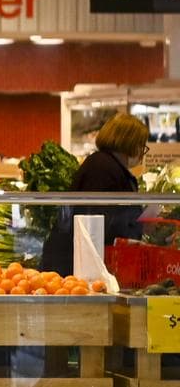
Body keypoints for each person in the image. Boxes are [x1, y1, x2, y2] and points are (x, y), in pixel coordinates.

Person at [42, 112, 150, 274]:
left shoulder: (104, 165)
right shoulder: (104, 169)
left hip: (77, 261)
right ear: (130, 143)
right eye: (141, 145)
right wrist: (139, 228)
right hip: (74, 266)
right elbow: (104, 223)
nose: (142, 152)